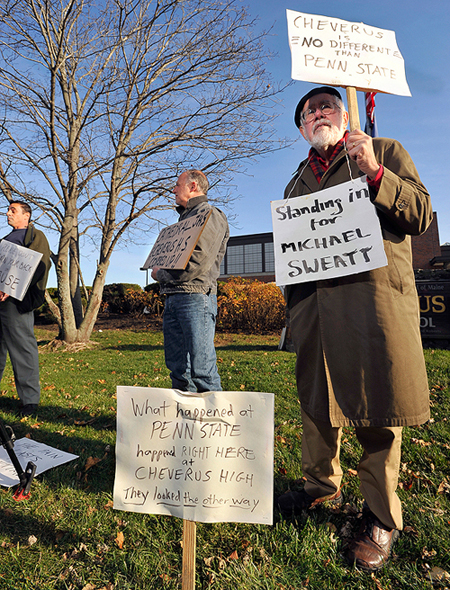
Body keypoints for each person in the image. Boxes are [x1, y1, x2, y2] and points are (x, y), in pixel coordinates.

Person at [277, 87, 433, 571]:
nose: (317, 114)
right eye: (309, 112)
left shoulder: (382, 149)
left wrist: (375, 173)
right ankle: (320, 486)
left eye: (326, 107)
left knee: (377, 408)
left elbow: (420, 215)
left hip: (372, 305)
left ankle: (381, 516)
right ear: (302, 128)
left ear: (344, 114)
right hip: (315, 311)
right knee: (317, 403)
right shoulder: (296, 181)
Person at [151, 170, 229, 392]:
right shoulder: (184, 220)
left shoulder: (210, 215)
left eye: (177, 185)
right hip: (174, 298)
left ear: (193, 186)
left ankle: (215, 422)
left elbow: (196, 263)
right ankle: (187, 421)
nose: (173, 190)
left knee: (202, 369)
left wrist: (161, 275)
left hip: (196, 298)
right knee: (178, 369)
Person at [0, 201, 51, 416]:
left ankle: (30, 400)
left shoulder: (34, 236)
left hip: (16, 302)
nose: (8, 213)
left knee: (22, 348)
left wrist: (11, 288)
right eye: (8, 210)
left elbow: (39, 266)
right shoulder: (4, 240)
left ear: (26, 215)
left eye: (13, 210)